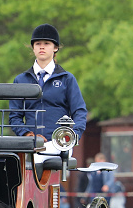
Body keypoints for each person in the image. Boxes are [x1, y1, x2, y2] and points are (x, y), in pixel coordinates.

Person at [9, 24, 86, 164]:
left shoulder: (67, 79)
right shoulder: (20, 80)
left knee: (37, 159)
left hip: (59, 142)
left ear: (55, 48)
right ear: (33, 47)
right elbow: (15, 116)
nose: (41, 47)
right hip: (30, 143)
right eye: (38, 44)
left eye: (46, 43)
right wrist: (27, 134)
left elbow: (79, 111)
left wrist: (73, 136)